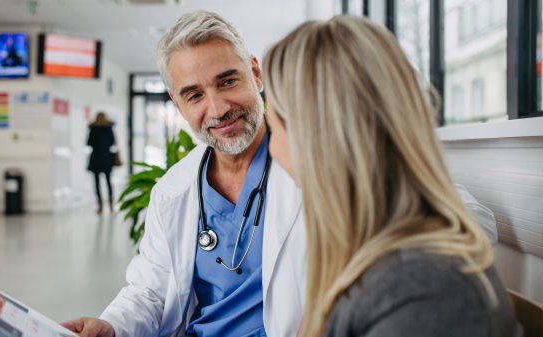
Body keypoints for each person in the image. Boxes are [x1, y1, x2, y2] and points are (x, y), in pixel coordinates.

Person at [62, 11, 499, 337]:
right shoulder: (173, 190)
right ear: (178, 105)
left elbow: (466, 223)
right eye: (195, 95)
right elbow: (151, 290)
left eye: (228, 81)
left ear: (255, 74)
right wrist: (112, 325)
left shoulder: (319, 158)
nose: (217, 109)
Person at [262, 15, 522, 337]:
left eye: (272, 129)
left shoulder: (424, 292)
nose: (270, 148)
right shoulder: (374, 253)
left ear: (316, 141)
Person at [87, 112, 115, 214]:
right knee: (108, 182)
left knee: (97, 183)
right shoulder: (109, 128)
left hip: (95, 158)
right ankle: (111, 205)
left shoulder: (93, 129)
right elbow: (112, 142)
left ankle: (100, 206)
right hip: (106, 157)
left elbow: (89, 142)